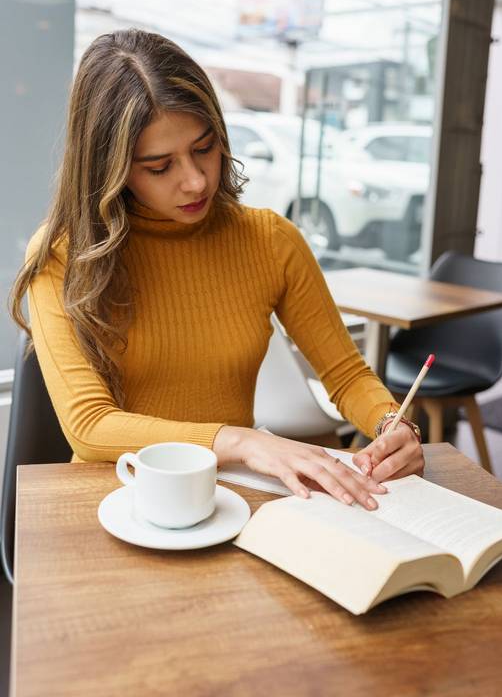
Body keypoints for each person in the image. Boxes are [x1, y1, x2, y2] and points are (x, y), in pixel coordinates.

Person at [9, 28, 423, 512]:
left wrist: (390, 423)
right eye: (160, 167)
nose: (196, 180)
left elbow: (346, 374)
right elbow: (91, 424)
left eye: (204, 147)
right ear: (109, 169)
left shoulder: (270, 240)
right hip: (112, 504)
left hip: (227, 501)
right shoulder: (63, 255)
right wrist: (245, 442)